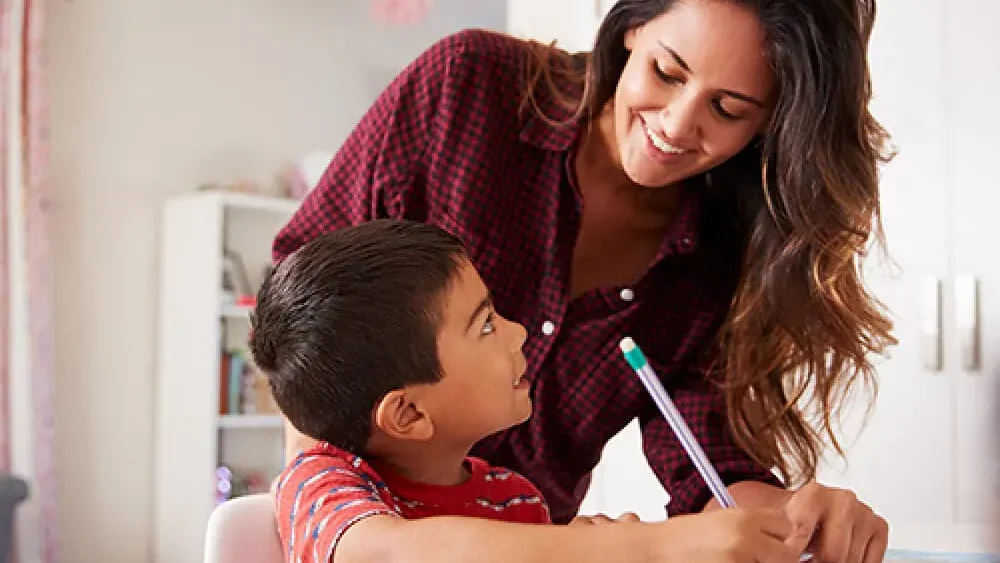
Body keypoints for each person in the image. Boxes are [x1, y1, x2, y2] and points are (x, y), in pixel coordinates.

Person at [273, 0, 895, 562]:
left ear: (770, 124)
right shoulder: (468, 88)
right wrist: (324, 486)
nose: (677, 125)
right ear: (631, 29)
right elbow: (309, 303)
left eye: (728, 109)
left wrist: (789, 526)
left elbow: (707, 463)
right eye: (667, 72)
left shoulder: (519, 504)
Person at [250, 219, 801, 563]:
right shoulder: (322, 481)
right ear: (410, 412)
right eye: (485, 324)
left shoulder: (513, 499)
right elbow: (388, 554)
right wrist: (645, 548)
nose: (517, 332)